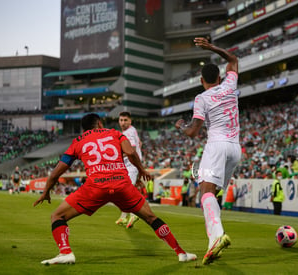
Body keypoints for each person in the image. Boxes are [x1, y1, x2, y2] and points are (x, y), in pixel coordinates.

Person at [33, 113, 196, 265]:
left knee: (57, 216)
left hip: (95, 186)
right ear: (99, 123)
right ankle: (181, 253)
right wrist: (141, 170)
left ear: (84, 129)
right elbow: (131, 152)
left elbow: (56, 173)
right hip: (121, 184)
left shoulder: (78, 142)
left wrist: (46, 191)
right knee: (151, 218)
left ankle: (66, 252)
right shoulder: (115, 133)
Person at [175, 37, 240, 265]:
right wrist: (212, 48)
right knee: (211, 193)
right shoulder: (230, 85)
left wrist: (181, 126)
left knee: (205, 193)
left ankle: (216, 237)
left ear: (201, 80)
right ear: (220, 78)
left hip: (217, 145)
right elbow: (232, 59)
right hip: (235, 149)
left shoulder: (201, 98)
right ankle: (215, 240)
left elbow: (194, 131)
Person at [115, 111, 142, 229]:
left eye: (125, 120)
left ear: (130, 121)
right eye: (121, 120)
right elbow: (139, 143)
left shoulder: (128, 132)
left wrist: (118, 157)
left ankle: (132, 214)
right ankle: (123, 216)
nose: (123, 122)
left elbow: (132, 149)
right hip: (129, 165)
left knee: (127, 191)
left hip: (132, 165)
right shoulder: (131, 130)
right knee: (124, 190)